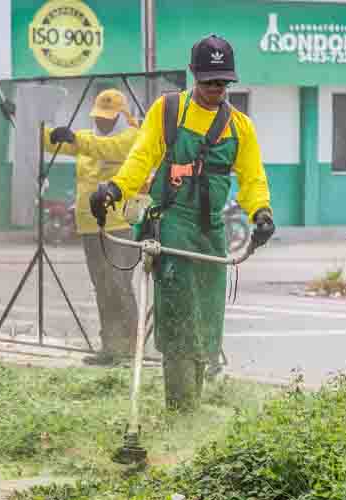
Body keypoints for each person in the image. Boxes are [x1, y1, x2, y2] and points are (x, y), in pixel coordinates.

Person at [89, 34, 275, 410]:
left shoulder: (240, 127)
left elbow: (253, 179)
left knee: (206, 319)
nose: (215, 89)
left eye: (222, 82)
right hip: (171, 223)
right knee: (177, 314)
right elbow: (141, 158)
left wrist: (262, 213)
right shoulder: (169, 110)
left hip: (211, 231)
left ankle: (192, 403)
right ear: (194, 75)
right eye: (208, 81)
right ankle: (181, 411)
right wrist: (114, 190)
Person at [45, 89, 141, 365]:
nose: (104, 123)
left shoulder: (131, 137)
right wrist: (23, 119)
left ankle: (130, 350)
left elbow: (107, 148)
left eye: (110, 119)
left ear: (122, 117)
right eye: (100, 118)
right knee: (102, 287)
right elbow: (55, 142)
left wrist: (75, 137)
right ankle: (110, 348)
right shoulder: (89, 141)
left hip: (120, 225)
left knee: (120, 285)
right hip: (89, 226)